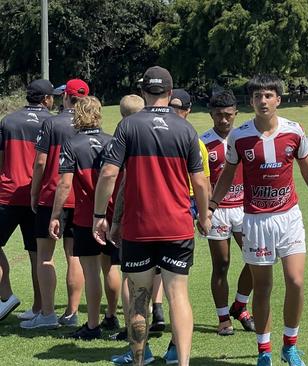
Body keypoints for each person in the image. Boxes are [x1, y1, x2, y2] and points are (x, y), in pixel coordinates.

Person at [210, 74, 308, 366]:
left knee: (296, 281)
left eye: (268, 96)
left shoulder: (294, 131)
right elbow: (228, 174)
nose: (262, 101)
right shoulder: (240, 137)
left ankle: (289, 346)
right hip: (256, 221)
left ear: (278, 99)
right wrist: (213, 204)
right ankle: (264, 351)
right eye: (257, 97)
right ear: (250, 101)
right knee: (263, 287)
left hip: (289, 217)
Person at [93, 66, 211, 366]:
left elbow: (109, 173)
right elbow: (199, 182)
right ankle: (182, 362)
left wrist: (100, 215)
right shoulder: (186, 129)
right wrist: (204, 216)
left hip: (139, 227)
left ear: (144, 92)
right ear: (170, 94)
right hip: (177, 225)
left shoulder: (128, 126)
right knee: (178, 295)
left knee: (140, 295)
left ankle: (138, 359)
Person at [48, 96, 121, 339]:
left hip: (86, 217)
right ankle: (111, 316)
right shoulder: (112, 141)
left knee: (91, 272)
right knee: (111, 267)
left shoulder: (72, 143)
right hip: (111, 215)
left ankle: (92, 326)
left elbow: (65, 185)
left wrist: (55, 214)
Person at [22, 79, 89, 330]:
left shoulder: (51, 123)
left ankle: (48, 313)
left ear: (66, 97)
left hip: (51, 197)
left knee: (45, 257)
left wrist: (33, 191)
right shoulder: (89, 124)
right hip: (79, 198)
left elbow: (40, 162)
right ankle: (72, 314)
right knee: (74, 258)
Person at [0, 79, 57, 323]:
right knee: (38, 254)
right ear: (46, 99)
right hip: (39, 196)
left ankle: (6, 295)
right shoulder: (52, 123)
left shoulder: (8, 121)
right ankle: (38, 307)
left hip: (8, 193)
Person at [201, 90, 256, 337]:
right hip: (218, 210)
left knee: (257, 259)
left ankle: (240, 306)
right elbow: (199, 181)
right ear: (211, 114)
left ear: (236, 113)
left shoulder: (246, 138)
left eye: (228, 115)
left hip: (245, 209)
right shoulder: (202, 143)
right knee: (221, 265)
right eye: (218, 115)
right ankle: (224, 318)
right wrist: (203, 211)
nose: (223, 120)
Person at [107, 94, 146, 343]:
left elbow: (114, 176)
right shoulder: (152, 132)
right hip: (160, 212)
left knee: (129, 275)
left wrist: (113, 217)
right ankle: (156, 313)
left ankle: (131, 328)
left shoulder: (123, 135)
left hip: (129, 209)